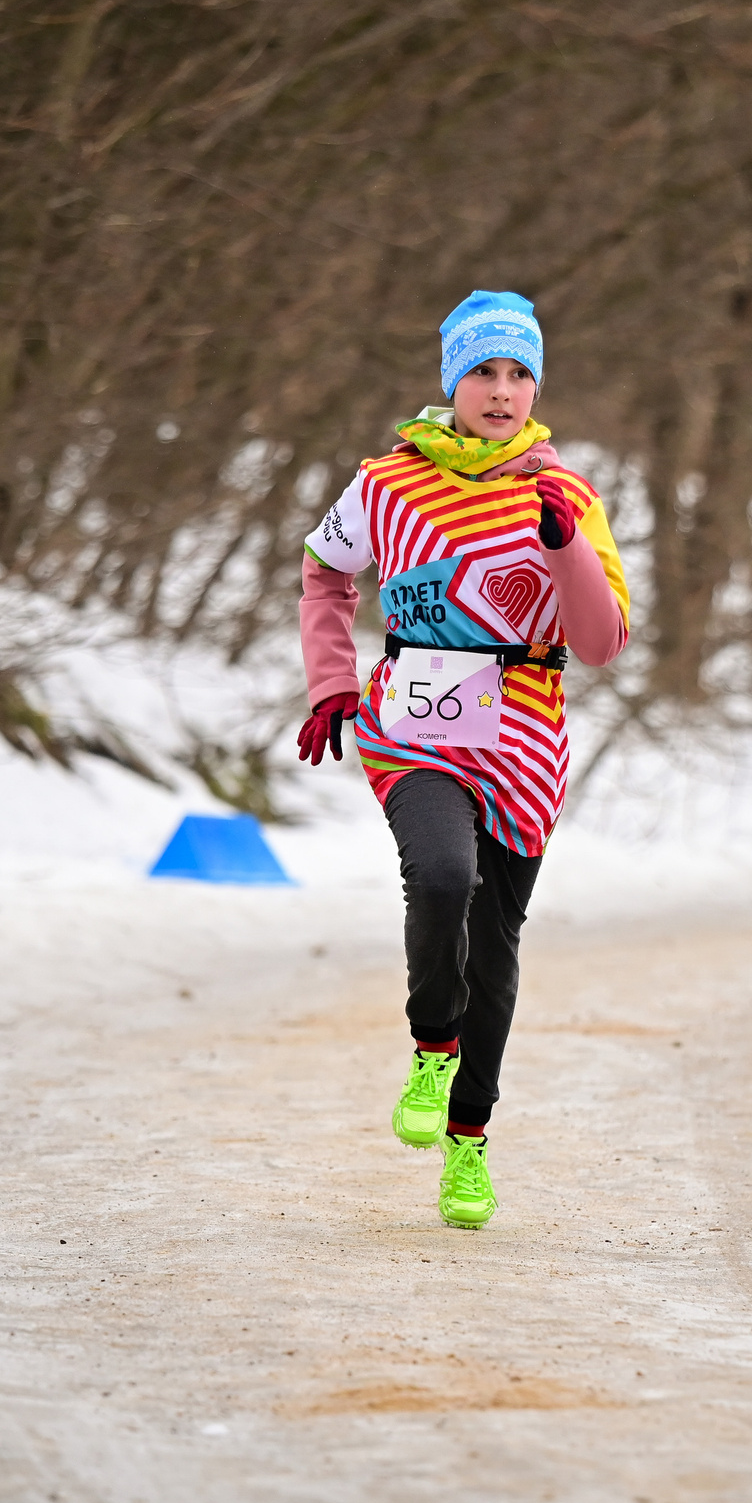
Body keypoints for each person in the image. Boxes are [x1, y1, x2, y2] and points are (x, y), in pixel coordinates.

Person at [294, 291, 632, 1230]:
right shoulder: (387, 483)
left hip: (525, 731)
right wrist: (332, 681)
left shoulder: (565, 493)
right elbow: (325, 571)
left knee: (495, 945)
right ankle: (430, 1044)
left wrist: (564, 545)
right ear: (453, 382)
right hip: (414, 725)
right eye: (484, 371)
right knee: (441, 878)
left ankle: (468, 1143)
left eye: (520, 372)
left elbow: (603, 642)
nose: (502, 390)